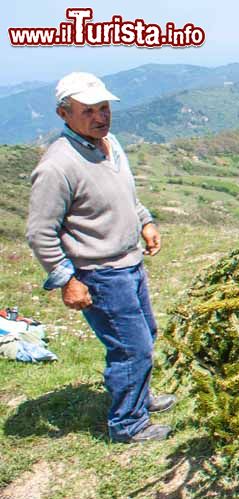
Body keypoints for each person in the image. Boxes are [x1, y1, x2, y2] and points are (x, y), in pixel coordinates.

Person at [26, 72, 176, 443]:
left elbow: (125, 192)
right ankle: (128, 425)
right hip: (101, 273)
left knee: (145, 335)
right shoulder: (57, 165)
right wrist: (66, 280)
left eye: (104, 108)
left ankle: (137, 399)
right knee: (132, 347)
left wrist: (145, 221)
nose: (100, 117)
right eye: (88, 110)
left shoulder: (109, 144)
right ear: (64, 114)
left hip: (130, 263)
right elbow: (39, 232)